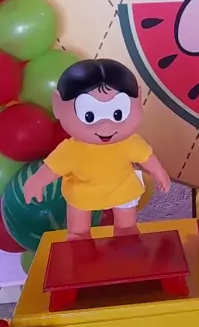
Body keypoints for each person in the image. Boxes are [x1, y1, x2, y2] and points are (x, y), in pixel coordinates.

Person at [24, 59, 170, 240]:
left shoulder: (130, 142)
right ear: (58, 107)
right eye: (89, 116)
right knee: (78, 231)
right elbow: (52, 168)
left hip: (121, 189)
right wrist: (36, 182)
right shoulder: (71, 150)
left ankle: (126, 238)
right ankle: (79, 240)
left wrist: (159, 172)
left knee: (127, 228)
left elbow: (146, 157)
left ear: (138, 100)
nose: (105, 126)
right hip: (82, 194)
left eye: (117, 114)